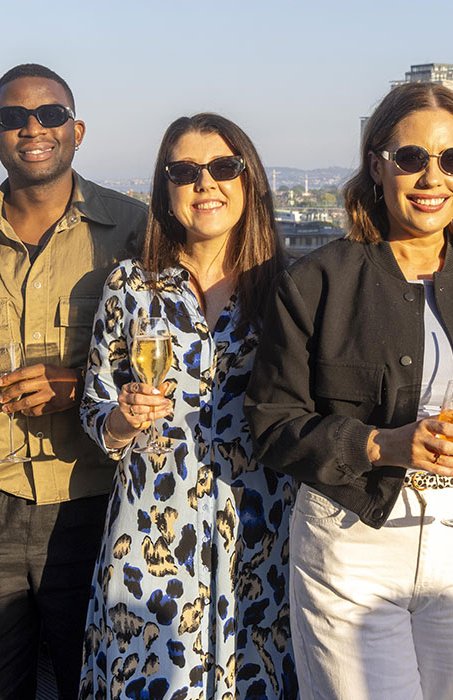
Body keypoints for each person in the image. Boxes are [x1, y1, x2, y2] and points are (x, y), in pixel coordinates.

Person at [244, 82, 453, 700]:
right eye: (411, 158)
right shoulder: (315, 283)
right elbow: (271, 424)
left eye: (452, 159)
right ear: (377, 164)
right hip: (353, 543)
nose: (432, 177)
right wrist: (383, 445)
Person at [0, 62, 147, 699]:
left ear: (76, 130)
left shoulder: (133, 231)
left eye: (49, 115)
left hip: (98, 500)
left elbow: (167, 360)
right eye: (14, 118)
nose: (33, 128)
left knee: (101, 684)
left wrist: (80, 387)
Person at [78, 113, 297, 699]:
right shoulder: (129, 285)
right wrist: (122, 419)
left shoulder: (288, 289)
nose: (206, 184)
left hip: (259, 528)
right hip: (151, 529)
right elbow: (95, 406)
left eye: (224, 168)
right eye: (185, 172)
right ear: (164, 187)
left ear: (249, 180)